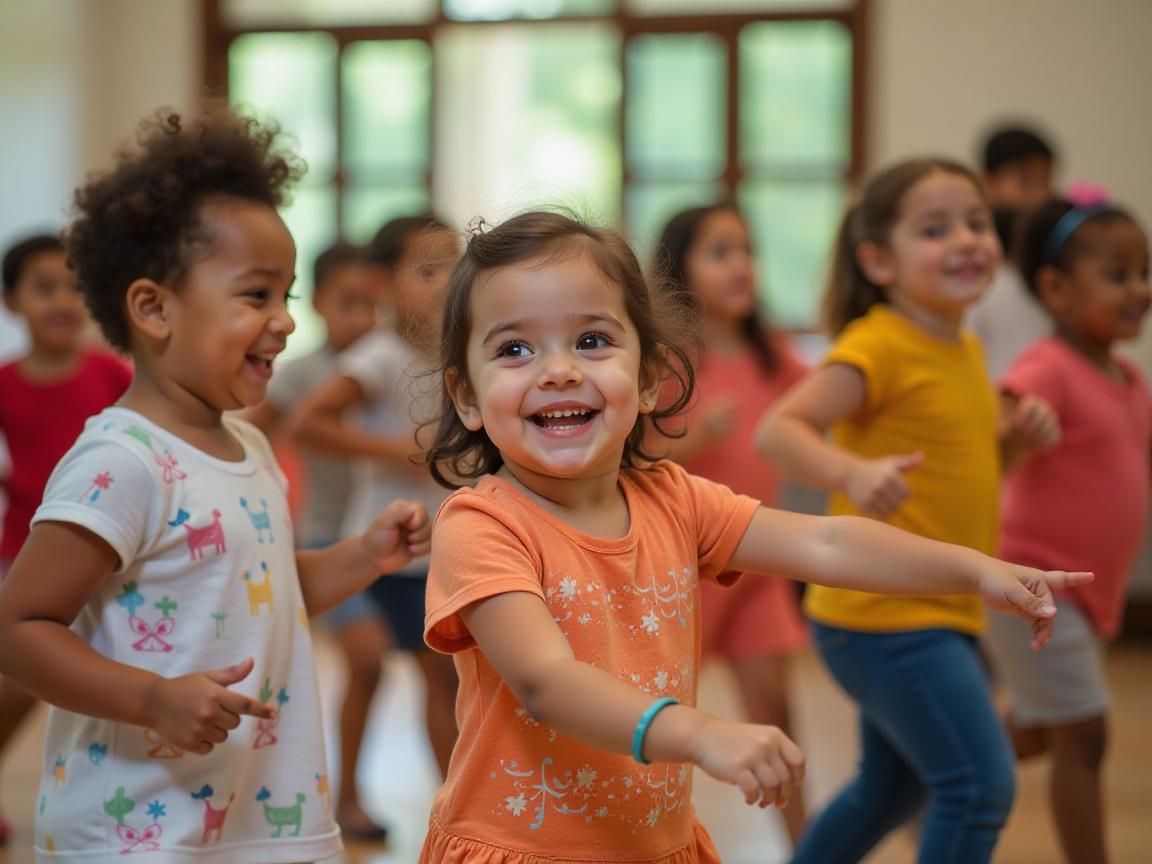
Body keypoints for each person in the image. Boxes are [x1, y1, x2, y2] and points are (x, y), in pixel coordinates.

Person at [415, 209, 1088, 863]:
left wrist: (972, 569)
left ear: (649, 378)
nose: (558, 369)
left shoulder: (673, 500)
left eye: (592, 340)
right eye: (514, 349)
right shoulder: (484, 523)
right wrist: (701, 734)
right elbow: (546, 681)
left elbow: (824, 545)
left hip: (657, 846)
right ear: (467, 397)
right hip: (519, 849)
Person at [0, 108, 431, 863]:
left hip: (259, 818)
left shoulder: (250, 446)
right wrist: (152, 699)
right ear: (154, 308)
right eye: (256, 295)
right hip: (138, 832)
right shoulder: (123, 461)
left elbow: (261, 587)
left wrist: (364, 555)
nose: (285, 322)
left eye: (286, 296)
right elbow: (17, 629)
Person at [757, 158, 1063, 864]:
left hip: (937, 612)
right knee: (978, 787)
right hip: (884, 618)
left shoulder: (964, 346)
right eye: (935, 228)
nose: (965, 240)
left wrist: (1019, 446)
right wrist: (851, 472)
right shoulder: (879, 342)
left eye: (977, 223)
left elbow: (975, 476)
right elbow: (779, 430)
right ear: (877, 260)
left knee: (890, 792)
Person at [984, 196, 1151, 864]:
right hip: (1037, 579)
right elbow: (992, 441)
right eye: (1118, 274)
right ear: (1054, 287)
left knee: (1044, 729)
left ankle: (946, 769)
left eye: (1144, 271)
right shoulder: (1047, 366)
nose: (1140, 289)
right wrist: (1019, 434)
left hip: (1086, 591)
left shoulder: (1128, 375)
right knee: (1084, 738)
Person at [651, 203, 809, 843]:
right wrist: (689, 439)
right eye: (720, 252)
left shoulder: (772, 355)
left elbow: (832, 404)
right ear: (679, 270)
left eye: (746, 250)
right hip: (680, 569)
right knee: (668, 723)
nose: (740, 265)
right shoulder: (664, 359)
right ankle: (650, 843)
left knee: (775, 713)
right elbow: (626, 455)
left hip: (759, 566)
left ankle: (811, 846)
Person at [292, 215, 461, 779]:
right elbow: (309, 422)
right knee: (366, 666)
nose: (445, 282)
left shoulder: (458, 356)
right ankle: (347, 797)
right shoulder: (379, 353)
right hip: (373, 542)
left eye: (453, 268)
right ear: (381, 285)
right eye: (429, 270)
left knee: (443, 676)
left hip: (431, 549)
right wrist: (399, 451)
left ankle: (457, 807)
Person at [238, 241, 389, 840]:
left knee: (425, 674)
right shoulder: (298, 376)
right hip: (327, 537)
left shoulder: (391, 364)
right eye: (347, 303)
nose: (361, 317)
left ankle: (359, 794)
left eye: (371, 303)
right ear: (320, 303)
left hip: (386, 540)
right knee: (368, 660)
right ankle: (345, 798)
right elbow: (252, 442)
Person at [0, 234, 132, 843]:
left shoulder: (109, 373)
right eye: (43, 287)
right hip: (24, 554)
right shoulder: (6, 382)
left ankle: (115, 805)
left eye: (73, 286)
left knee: (104, 686)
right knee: (15, 687)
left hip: (110, 559)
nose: (62, 300)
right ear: (11, 301)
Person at [967, 125, 1059, 378]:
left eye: (1046, 181)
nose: (1040, 195)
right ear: (988, 182)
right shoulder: (972, 268)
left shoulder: (1048, 268)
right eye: (1026, 181)